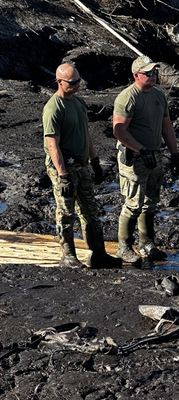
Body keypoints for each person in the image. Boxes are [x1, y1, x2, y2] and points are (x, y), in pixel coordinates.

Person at [42, 63, 122, 269]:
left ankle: (98, 254)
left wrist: (95, 162)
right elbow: (52, 144)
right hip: (64, 167)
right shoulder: (53, 108)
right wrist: (62, 174)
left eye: (79, 81)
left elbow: (86, 135)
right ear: (60, 82)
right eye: (73, 82)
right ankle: (68, 256)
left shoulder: (78, 103)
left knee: (90, 210)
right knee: (66, 211)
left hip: (82, 164)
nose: (78, 85)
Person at [113, 55, 179, 263]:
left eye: (154, 73)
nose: (152, 77)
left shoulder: (159, 96)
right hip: (135, 157)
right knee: (133, 203)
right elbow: (119, 131)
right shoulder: (127, 97)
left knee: (151, 201)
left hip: (155, 154)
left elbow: (166, 126)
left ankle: (147, 243)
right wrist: (140, 150)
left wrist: (175, 153)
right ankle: (124, 246)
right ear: (136, 75)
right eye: (148, 73)